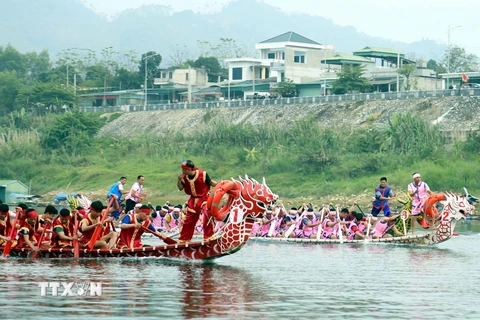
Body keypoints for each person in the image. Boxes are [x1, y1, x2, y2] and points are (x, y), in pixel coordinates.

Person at [177, 160, 217, 242]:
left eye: (184, 169)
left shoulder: (203, 174)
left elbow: (211, 183)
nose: (182, 171)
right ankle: (184, 239)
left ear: (189, 169)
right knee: (189, 220)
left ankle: (209, 237)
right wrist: (179, 180)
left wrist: (222, 185)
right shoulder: (184, 177)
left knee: (207, 215)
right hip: (193, 200)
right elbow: (180, 188)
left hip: (205, 197)